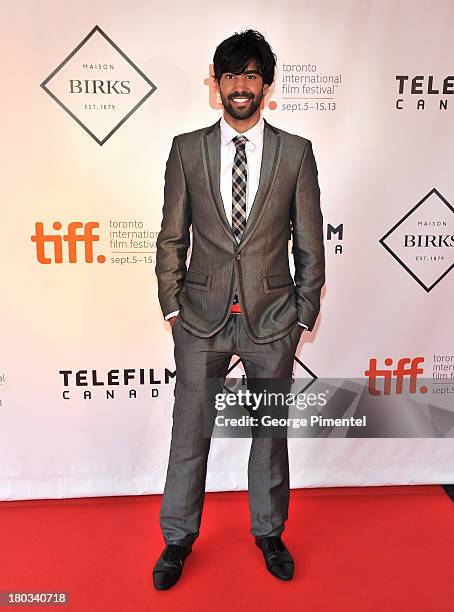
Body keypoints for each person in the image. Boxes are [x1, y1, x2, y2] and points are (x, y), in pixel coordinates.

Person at [153, 29, 325, 590]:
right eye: (230, 76)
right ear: (217, 85)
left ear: (266, 84)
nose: (241, 86)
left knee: (270, 435)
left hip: (272, 320)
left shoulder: (296, 153)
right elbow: (170, 237)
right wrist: (171, 307)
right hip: (200, 318)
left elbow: (309, 244)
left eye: (252, 75)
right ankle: (177, 539)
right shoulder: (186, 149)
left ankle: (269, 532)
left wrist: (302, 315)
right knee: (189, 434)